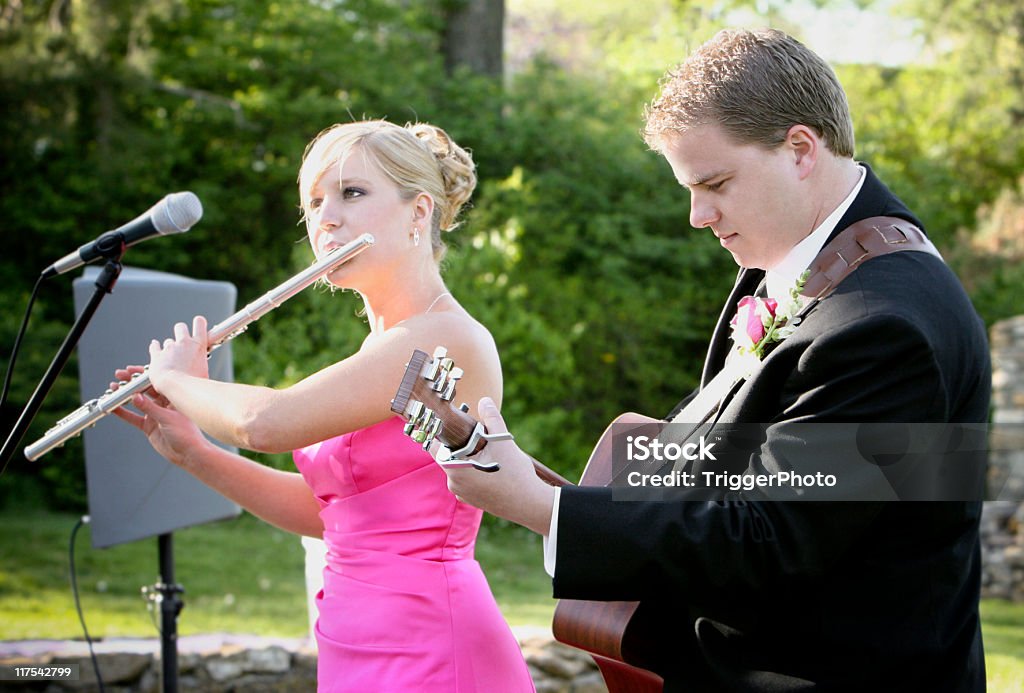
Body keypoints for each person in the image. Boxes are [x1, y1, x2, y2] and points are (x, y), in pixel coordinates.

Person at [435, 29, 990, 692]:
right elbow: (737, 463)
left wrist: (543, 510)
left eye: (715, 183)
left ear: (800, 149)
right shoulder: (800, 264)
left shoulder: (884, 326)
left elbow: (769, 541)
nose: (698, 215)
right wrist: (546, 485)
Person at [112, 120, 536, 693]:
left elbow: (266, 423)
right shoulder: (381, 348)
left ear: (419, 212)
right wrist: (193, 451)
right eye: (313, 203)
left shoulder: (444, 338)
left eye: (351, 193)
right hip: (352, 640)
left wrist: (175, 377)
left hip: (433, 644)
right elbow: (332, 516)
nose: (326, 219)